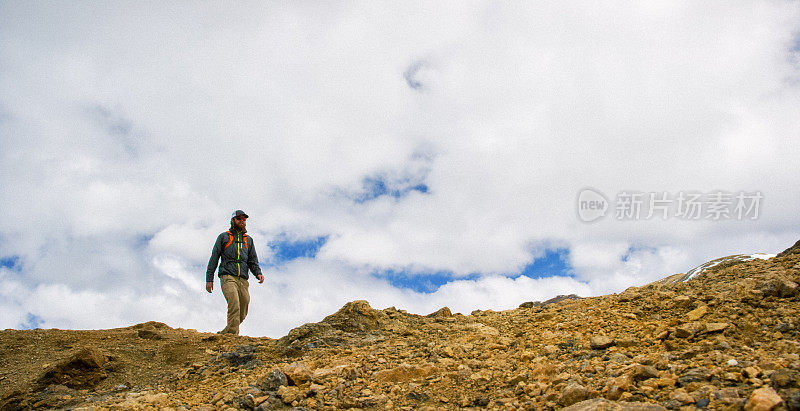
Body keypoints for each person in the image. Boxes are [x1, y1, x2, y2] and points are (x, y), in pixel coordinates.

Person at [206, 209, 264, 335]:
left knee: (243, 308)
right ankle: (233, 337)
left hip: (243, 279)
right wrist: (209, 279)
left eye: (244, 219)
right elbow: (214, 257)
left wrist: (258, 273)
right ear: (232, 220)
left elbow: (252, 260)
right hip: (227, 277)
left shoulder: (248, 240)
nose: (242, 221)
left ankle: (226, 333)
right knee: (234, 305)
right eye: (239, 219)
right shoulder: (224, 237)